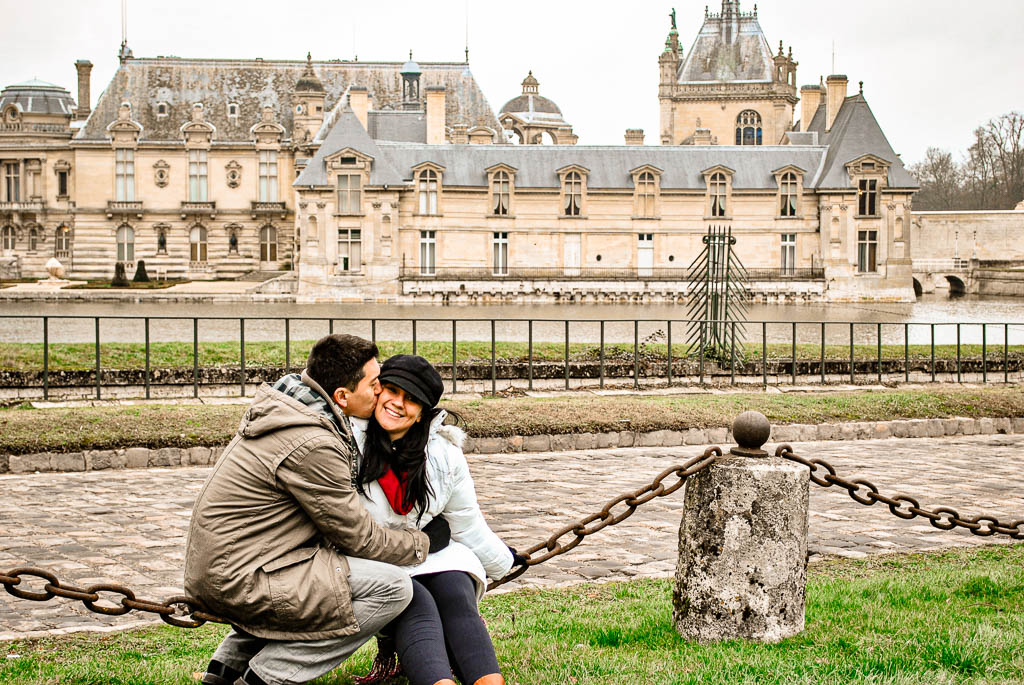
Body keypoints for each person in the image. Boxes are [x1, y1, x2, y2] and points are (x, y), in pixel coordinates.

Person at [185, 334, 452, 685]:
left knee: (321, 577)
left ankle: (225, 670)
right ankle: (267, 676)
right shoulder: (313, 443)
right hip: (241, 577)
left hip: (235, 564)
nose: (380, 391)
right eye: (374, 384)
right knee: (393, 588)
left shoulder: (293, 409)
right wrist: (422, 543)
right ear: (342, 396)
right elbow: (360, 539)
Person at [350, 355, 526, 685]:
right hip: (372, 560)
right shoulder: (348, 443)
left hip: (426, 552)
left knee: (455, 590)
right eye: (391, 390)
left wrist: (503, 560)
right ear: (377, 391)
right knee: (416, 602)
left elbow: (466, 522)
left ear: (423, 413)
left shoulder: (444, 455)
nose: (397, 404)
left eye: (412, 399)